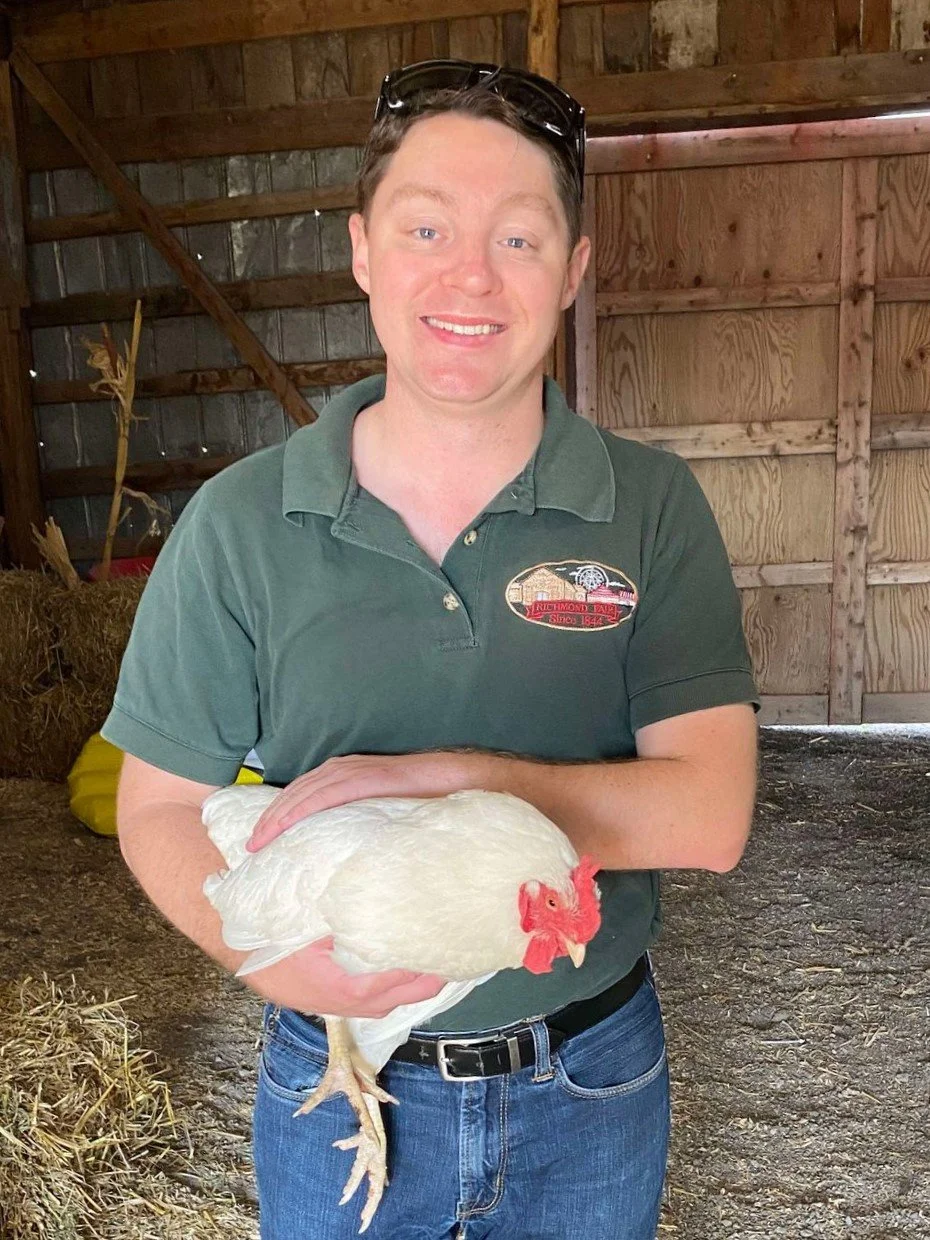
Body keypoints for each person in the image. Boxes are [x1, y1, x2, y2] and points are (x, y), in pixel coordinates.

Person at [102, 59, 759, 1240]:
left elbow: (710, 814)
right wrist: (265, 957)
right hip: (333, 1074)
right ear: (363, 252)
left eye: (518, 238)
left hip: (589, 1074)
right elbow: (156, 804)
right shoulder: (243, 523)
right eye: (425, 228)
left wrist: (433, 780)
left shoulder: (651, 507)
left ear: (574, 269)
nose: (469, 275)